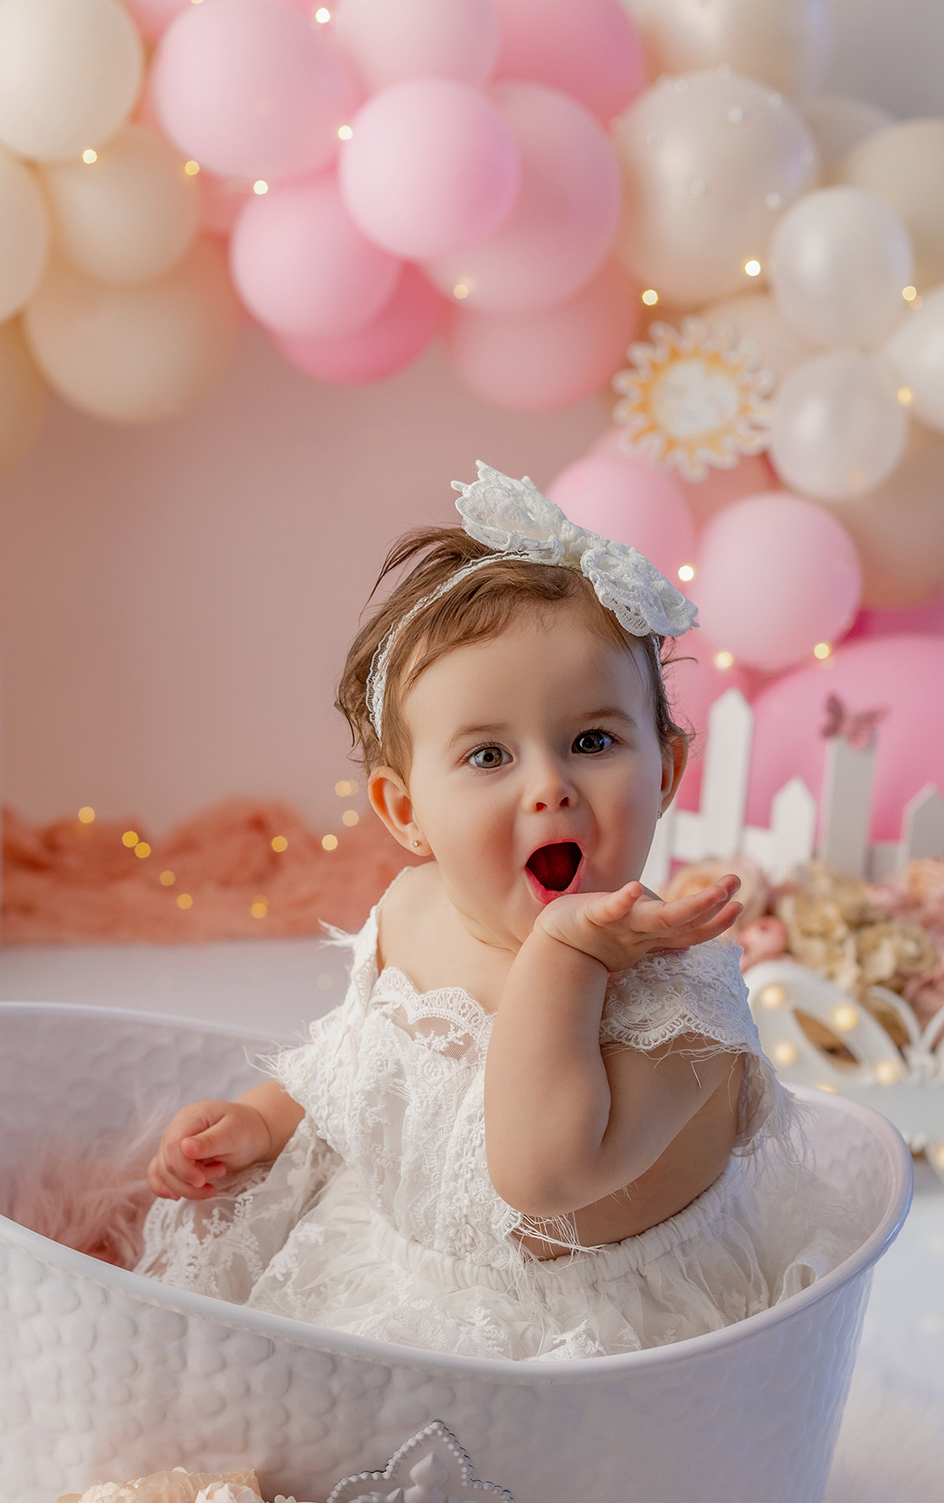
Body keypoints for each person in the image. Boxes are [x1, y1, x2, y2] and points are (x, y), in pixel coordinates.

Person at [139, 463, 854, 1360]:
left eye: (592, 741)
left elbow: (542, 1176)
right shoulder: (414, 906)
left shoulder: (684, 1004)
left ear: (665, 772)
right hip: (391, 1268)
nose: (550, 787)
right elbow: (360, 1061)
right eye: (488, 757)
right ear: (406, 813)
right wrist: (262, 1118)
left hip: (577, 1341)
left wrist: (567, 957)